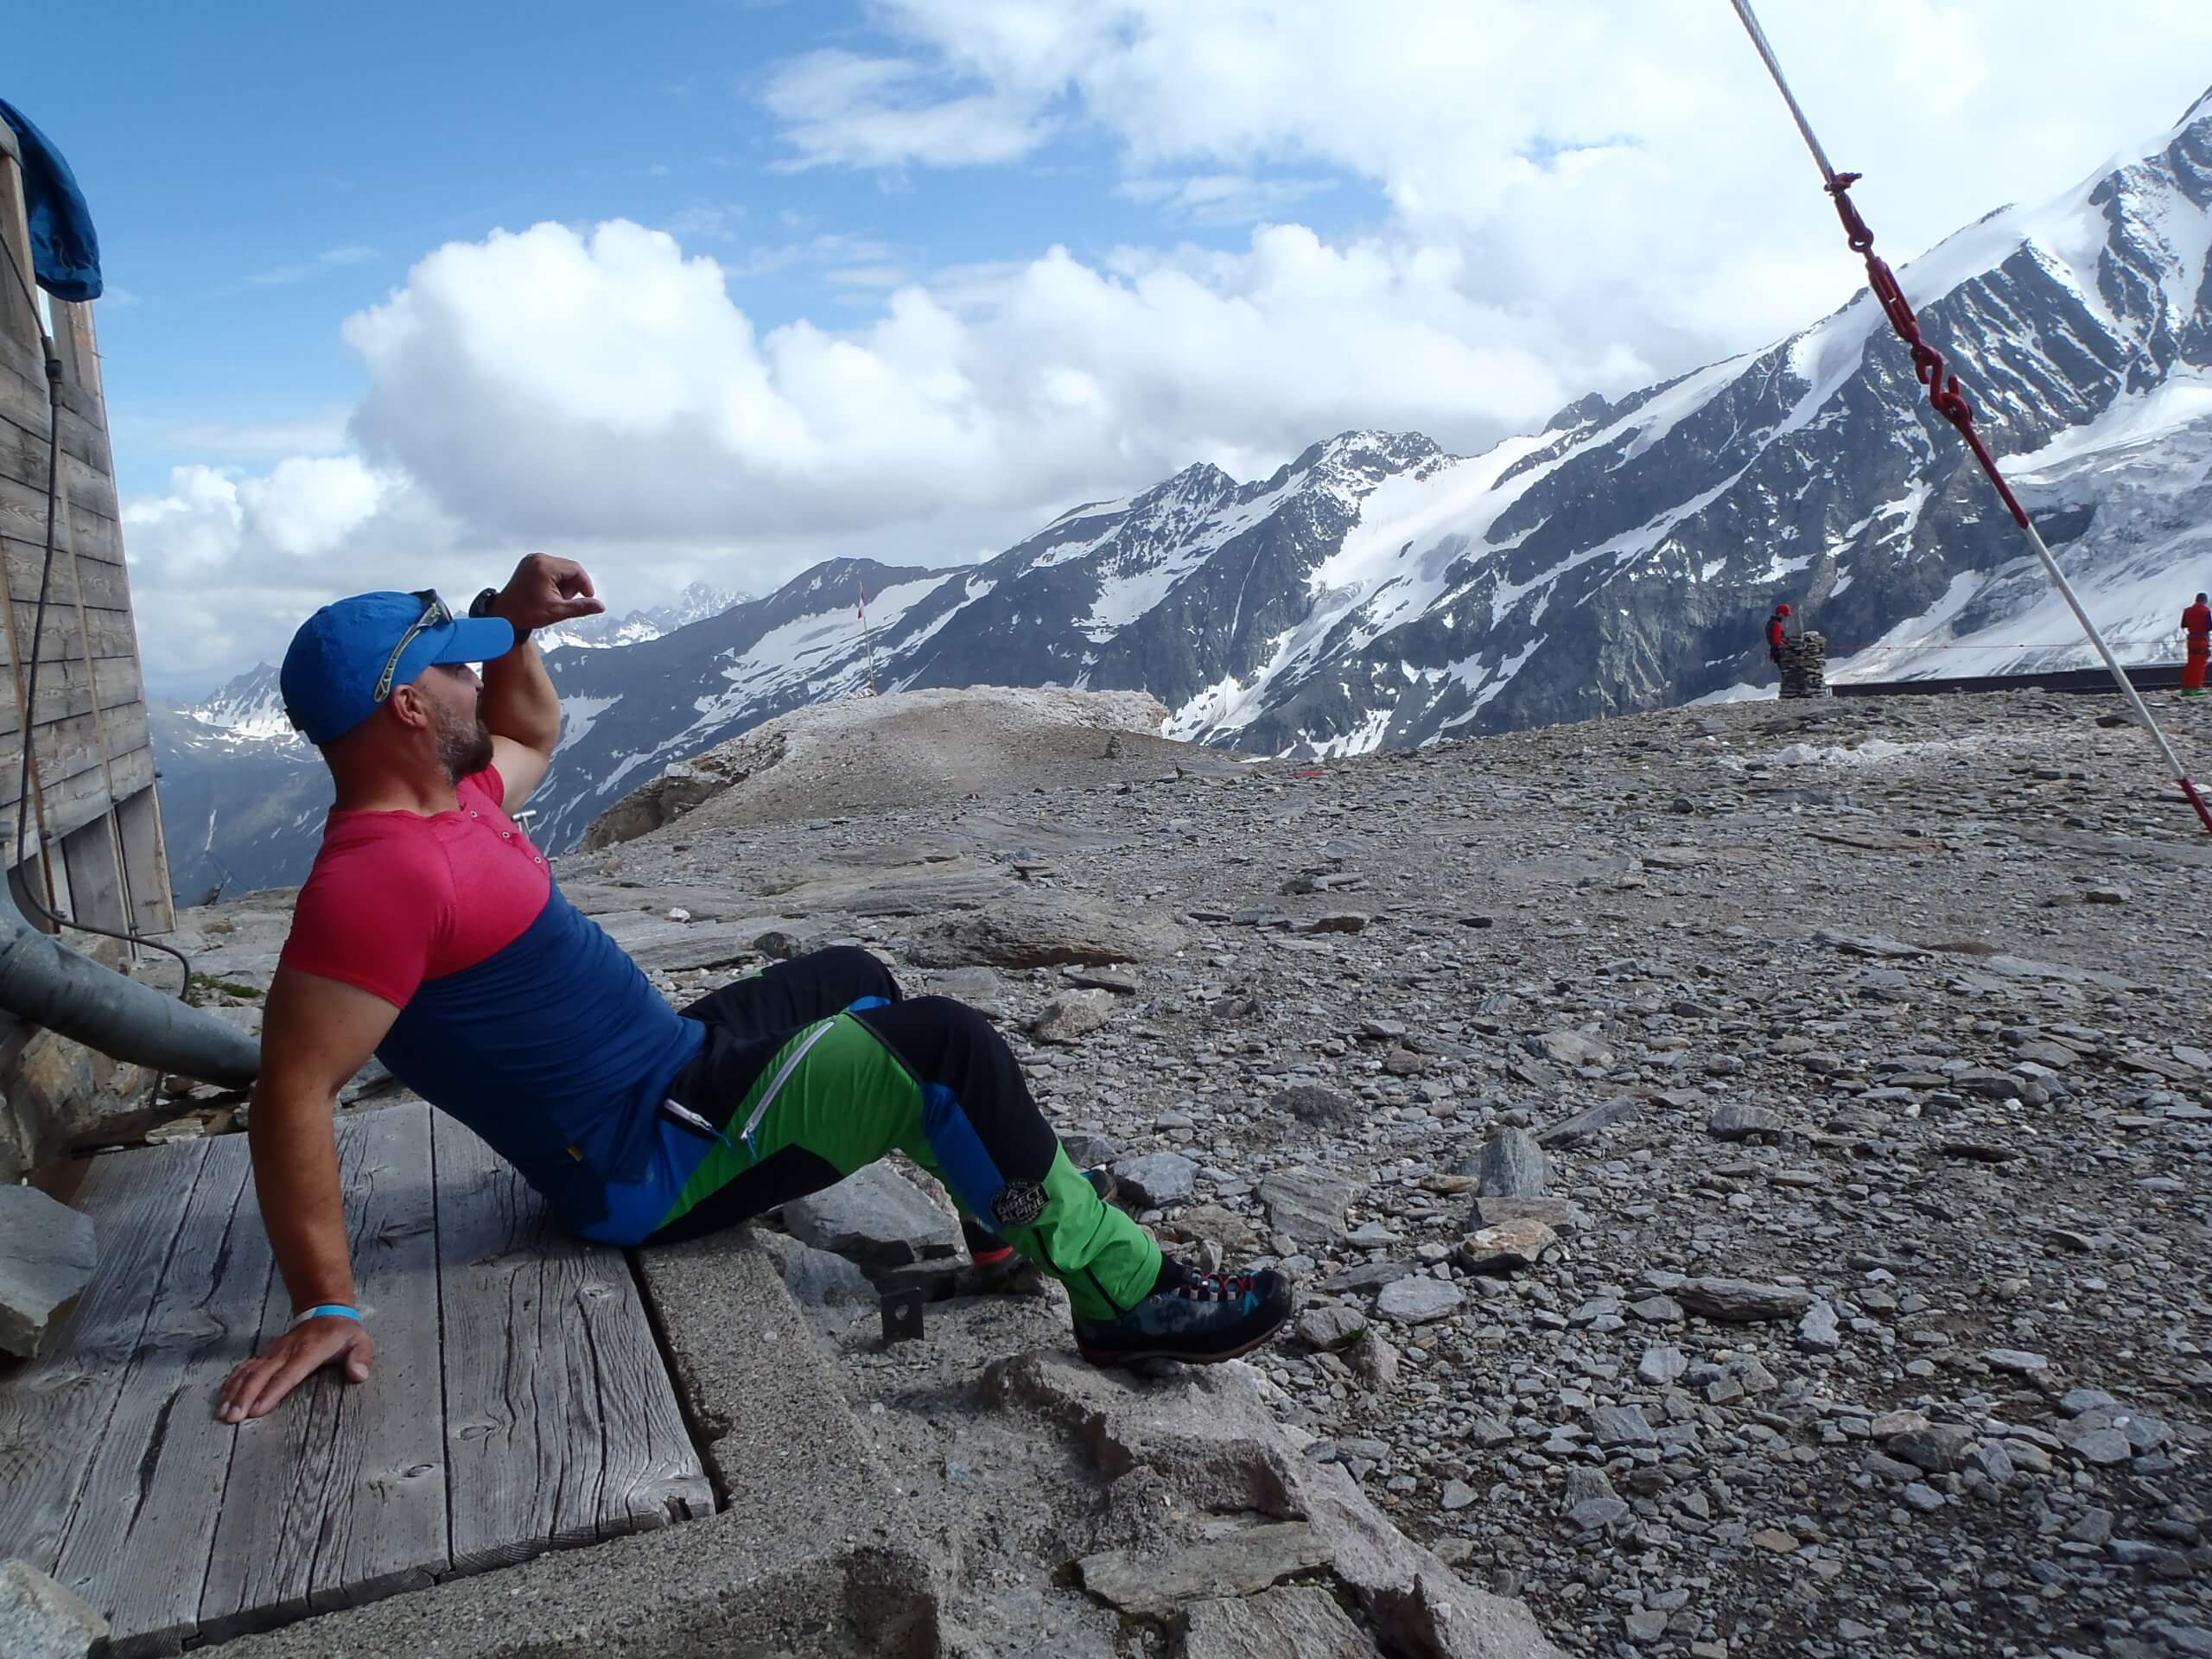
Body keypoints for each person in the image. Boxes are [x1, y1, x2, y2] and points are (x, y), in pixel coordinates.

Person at [215, 556, 1293, 1424]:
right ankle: (1123, 1293)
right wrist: (325, 1305)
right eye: (456, 668)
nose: (477, 681)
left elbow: (535, 730)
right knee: (944, 1048)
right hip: (647, 1161)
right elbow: (292, 1089)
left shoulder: (452, 798)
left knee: (856, 978)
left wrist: (514, 619)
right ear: (407, 707)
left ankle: (1003, 1217)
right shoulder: (378, 880)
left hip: (668, 1065)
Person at [2184, 591, 2210, 697]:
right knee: (2200, 665)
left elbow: (2184, 624)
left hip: (2191, 640)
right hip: (2202, 640)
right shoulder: (2206, 611)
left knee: (2191, 664)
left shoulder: (2188, 611)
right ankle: (2196, 687)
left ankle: (2186, 688)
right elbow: (2209, 626)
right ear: (2205, 601)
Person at [1767, 603, 1793, 671]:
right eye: (1785, 615)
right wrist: (1788, 646)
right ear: (1780, 614)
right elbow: (1777, 641)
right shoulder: (1777, 624)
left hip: (1774, 652)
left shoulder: (1770, 623)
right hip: (1780, 653)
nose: (1786, 617)